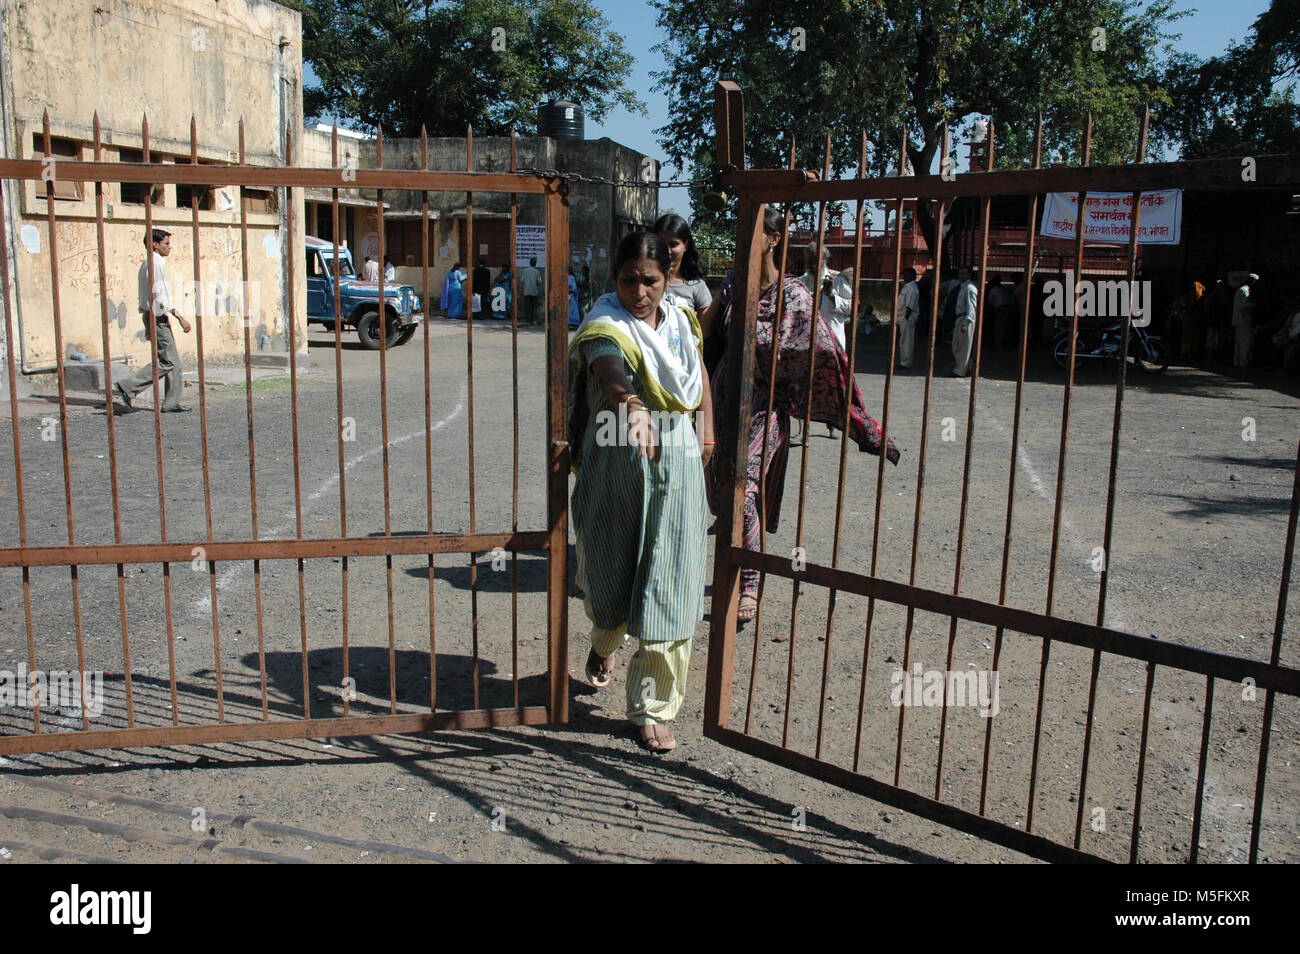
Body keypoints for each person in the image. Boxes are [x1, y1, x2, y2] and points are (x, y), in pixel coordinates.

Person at [703, 208, 899, 621]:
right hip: (721, 399)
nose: (742, 237)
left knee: (746, 484)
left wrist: (849, 416)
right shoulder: (734, 282)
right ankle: (733, 539)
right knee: (720, 482)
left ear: (773, 239)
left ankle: (749, 585)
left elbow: (826, 354)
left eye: (751, 231)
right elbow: (709, 334)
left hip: (762, 406)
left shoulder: (794, 294)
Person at [568, 231, 713, 752]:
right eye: (629, 279)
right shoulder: (606, 323)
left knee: (671, 580)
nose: (640, 291)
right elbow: (608, 368)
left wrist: (707, 428)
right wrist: (630, 402)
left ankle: (651, 705)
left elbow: (697, 376)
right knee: (611, 572)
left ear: (669, 277)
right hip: (618, 459)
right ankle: (605, 640)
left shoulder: (680, 321)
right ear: (615, 277)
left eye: (650, 280)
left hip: (675, 456)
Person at [114, 229, 193, 413]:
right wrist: (179, 316)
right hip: (157, 316)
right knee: (169, 362)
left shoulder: (149, 264)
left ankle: (172, 403)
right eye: (166, 244)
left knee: (174, 363)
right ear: (155, 245)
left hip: (153, 315)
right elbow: (159, 295)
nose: (169, 247)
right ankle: (128, 387)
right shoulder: (154, 264)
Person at [655, 213, 713, 316]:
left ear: (685, 245)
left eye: (673, 244)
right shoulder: (644, 283)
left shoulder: (697, 287)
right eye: (662, 244)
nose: (667, 251)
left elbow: (706, 326)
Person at [952, 266, 979, 376]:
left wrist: (966, 322)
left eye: (964, 273)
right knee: (958, 344)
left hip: (965, 318)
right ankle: (966, 367)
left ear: (969, 275)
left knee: (963, 346)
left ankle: (960, 370)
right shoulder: (963, 287)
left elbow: (971, 307)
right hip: (960, 317)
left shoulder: (969, 288)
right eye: (960, 273)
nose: (961, 276)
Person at [896, 266, 921, 368]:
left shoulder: (912, 288)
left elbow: (910, 305)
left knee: (907, 341)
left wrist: (905, 318)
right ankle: (904, 361)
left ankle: (906, 363)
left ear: (911, 276)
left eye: (905, 275)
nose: (904, 277)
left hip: (906, 318)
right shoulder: (907, 287)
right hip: (903, 318)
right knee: (904, 341)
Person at [1233, 273, 1258, 368]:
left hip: (1239, 320)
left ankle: (1237, 362)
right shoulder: (1245, 290)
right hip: (1244, 320)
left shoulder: (1240, 289)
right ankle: (1243, 362)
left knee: (1239, 342)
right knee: (1245, 341)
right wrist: (1254, 304)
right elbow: (1244, 305)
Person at [521, 257, 542, 324]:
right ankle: (533, 319)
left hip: (526, 291)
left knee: (528, 306)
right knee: (534, 306)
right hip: (534, 291)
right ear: (535, 264)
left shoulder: (525, 270)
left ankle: (528, 319)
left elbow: (522, 280)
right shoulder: (536, 271)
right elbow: (539, 281)